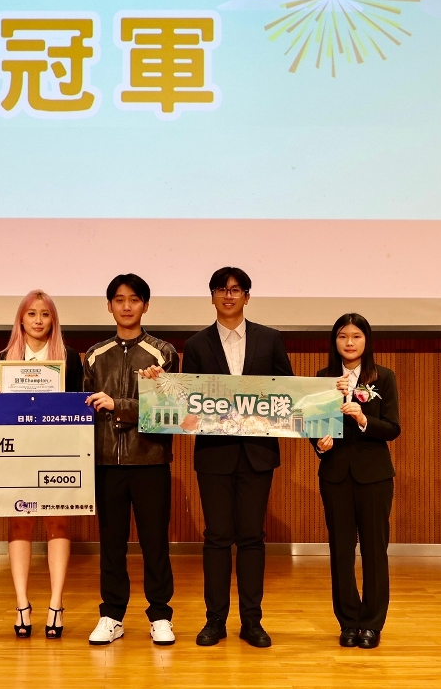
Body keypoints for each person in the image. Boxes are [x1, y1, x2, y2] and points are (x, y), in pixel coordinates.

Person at [181, 267, 292, 648]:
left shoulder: (270, 339)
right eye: (221, 289)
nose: (228, 296)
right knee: (216, 538)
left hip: (257, 454)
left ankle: (252, 621)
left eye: (235, 289)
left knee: (251, 538)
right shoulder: (196, 344)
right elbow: (187, 402)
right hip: (214, 455)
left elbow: (286, 392)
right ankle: (215, 621)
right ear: (212, 296)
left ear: (247, 296)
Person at [84, 273, 178, 647]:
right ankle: (111, 615)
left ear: (145, 306)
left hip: (150, 460)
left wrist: (119, 405)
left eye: (134, 299)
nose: (126, 306)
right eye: (119, 300)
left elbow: (170, 410)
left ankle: (160, 616)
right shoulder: (95, 355)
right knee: (111, 544)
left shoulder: (163, 353)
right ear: (109, 306)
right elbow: (84, 407)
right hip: (106, 462)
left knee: (155, 543)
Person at [0, 289, 83, 639]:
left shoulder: (69, 358)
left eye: (45, 314)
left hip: (58, 451)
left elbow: (80, 406)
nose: (38, 320)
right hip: (16, 452)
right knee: (19, 522)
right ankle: (22, 604)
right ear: (21, 319)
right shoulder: (2, 359)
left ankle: (56, 603)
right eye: (31, 314)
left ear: (53, 320)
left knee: (58, 521)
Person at [314, 312, 401, 650]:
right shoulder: (322, 379)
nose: (349, 343)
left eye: (356, 336)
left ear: (367, 340)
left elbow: (392, 428)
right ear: (334, 341)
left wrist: (364, 419)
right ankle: (348, 622)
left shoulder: (383, 377)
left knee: (374, 550)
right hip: (335, 475)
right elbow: (314, 425)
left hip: (374, 476)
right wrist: (319, 445)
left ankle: (372, 624)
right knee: (340, 551)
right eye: (342, 336)